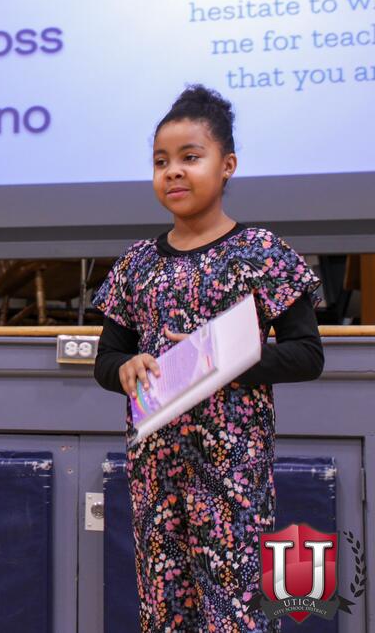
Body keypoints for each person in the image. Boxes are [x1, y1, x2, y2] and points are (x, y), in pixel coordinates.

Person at [93, 85, 324, 632]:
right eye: (161, 162)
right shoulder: (136, 263)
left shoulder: (260, 251)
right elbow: (108, 358)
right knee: (164, 615)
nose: (173, 171)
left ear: (227, 166)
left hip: (234, 472)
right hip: (155, 474)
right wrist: (124, 368)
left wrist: (226, 358)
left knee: (239, 616)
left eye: (190, 157)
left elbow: (307, 354)